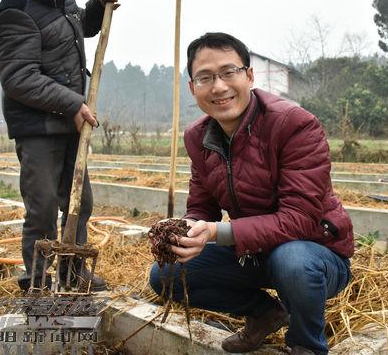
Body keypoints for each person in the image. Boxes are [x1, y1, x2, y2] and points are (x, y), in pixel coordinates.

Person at [149, 32, 354, 355]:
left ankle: (306, 345)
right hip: (255, 250)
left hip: (316, 252)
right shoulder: (198, 137)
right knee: (167, 273)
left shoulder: (294, 125)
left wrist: (217, 232)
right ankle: (265, 313)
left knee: (293, 261)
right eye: (205, 77)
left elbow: (299, 220)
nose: (218, 87)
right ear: (192, 87)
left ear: (249, 75)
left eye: (229, 72)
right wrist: (185, 230)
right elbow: (202, 205)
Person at [0, 0, 119, 292]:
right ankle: (36, 279)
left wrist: (97, 4)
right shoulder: (16, 11)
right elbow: (19, 77)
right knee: (43, 206)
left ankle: (73, 272)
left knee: (80, 201)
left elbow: (78, 27)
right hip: (38, 128)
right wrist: (73, 101)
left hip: (71, 122)